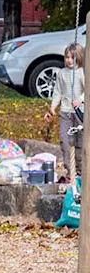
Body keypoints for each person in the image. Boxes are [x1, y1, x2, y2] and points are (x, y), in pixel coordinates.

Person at [52, 44, 87, 182]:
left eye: (72, 58)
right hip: (65, 112)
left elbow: (87, 90)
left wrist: (80, 100)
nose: (69, 60)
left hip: (80, 113)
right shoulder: (61, 73)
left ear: (79, 58)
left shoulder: (82, 73)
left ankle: (80, 171)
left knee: (80, 143)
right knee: (65, 141)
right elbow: (58, 91)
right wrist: (53, 107)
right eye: (67, 57)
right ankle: (69, 172)